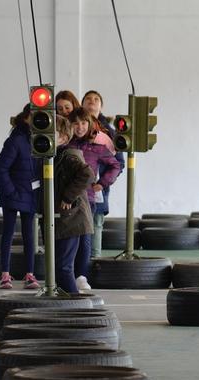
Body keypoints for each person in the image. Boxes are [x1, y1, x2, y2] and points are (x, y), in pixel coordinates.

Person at [68, 107, 121, 290]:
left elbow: (116, 165)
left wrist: (102, 183)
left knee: (85, 237)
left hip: (87, 199)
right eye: (76, 123)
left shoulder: (97, 147)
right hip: (65, 198)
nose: (80, 127)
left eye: (83, 123)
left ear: (89, 124)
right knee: (67, 237)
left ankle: (81, 275)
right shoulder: (65, 144)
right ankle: (66, 273)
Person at [0, 104, 41, 290]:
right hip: (13, 195)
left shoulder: (40, 140)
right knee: (9, 233)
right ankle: (5, 274)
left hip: (30, 194)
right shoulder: (15, 141)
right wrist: (11, 191)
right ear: (27, 117)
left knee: (30, 236)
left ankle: (30, 274)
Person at [81, 91, 125, 258]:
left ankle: (94, 261)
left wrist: (102, 183)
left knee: (96, 224)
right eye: (88, 99)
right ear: (82, 104)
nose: (92, 101)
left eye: (96, 99)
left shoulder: (110, 132)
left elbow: (119, 163)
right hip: (77, 189)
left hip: (98, 189)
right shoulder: (77, 127)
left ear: (101, 106)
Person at [54, 116, 94, 293]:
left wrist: (68, 197)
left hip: (72, 218)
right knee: (58, 267)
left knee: (64, 267)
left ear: (63, 137)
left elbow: (87, 174)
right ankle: (66, 303)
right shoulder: (54, 157)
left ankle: (74, 307)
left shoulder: (69, 156)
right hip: (63, 219)